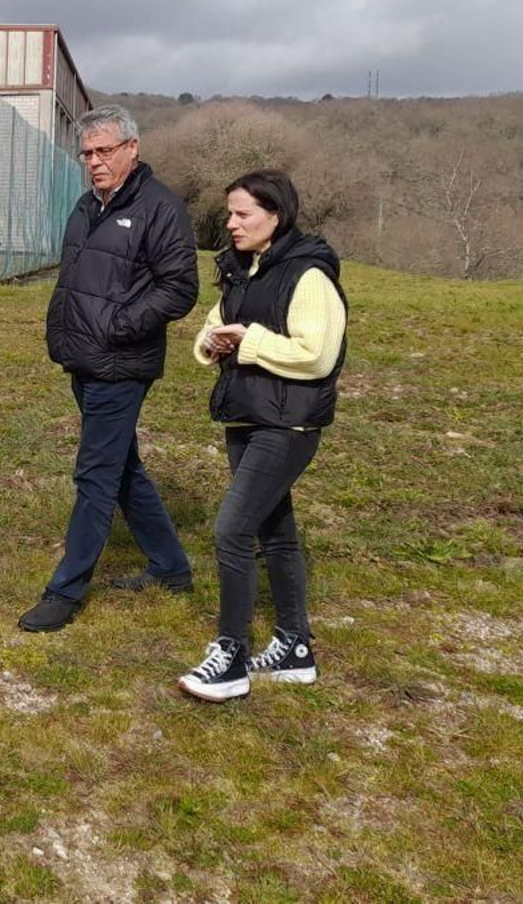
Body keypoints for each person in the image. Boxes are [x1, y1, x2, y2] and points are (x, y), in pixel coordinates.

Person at [19, 104, 199, 632]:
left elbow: (180, 288)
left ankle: (65, 591)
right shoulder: (85, 206)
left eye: (105, 151)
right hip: (83, 357)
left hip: (121, 363)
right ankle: (170, 568)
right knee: (122, 468)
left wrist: (118, 326)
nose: (94, 162)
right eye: (87, 153)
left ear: (132, 149)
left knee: (95, 473)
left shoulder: (159, 208)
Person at [177, 169, 348, 702]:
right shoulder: (240, 270)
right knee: (274, 531)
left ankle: (230, 657)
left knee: (232, 530)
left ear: (276, 216)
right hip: (247, 417)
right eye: (229, 213)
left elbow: (317, 356)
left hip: (288, 423)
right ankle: (295, 649)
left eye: (242, 214)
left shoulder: (309, 277)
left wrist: (247, 342)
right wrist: (215, 343)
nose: (230, 223)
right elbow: (209, 329)